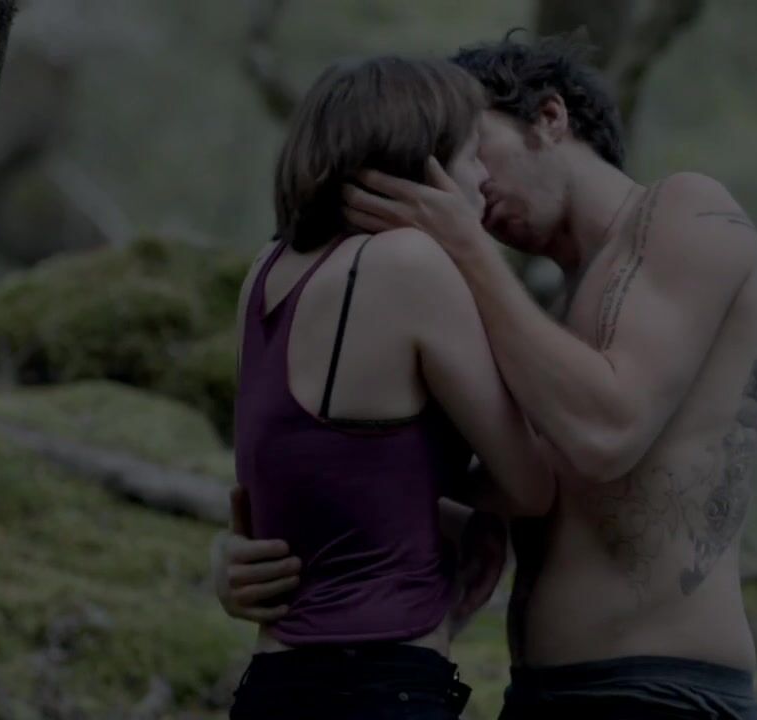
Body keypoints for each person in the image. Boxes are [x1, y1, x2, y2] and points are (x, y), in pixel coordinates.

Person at [217, 33, 757, 719]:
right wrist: (273, 557)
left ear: (549, 118)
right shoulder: (535, 320)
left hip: (664, 690)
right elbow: (446, 478)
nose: (470, 189)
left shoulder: (688, 211)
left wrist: (465, 249)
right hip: (537, 690)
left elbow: (606, 433)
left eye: (474, 150)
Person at [223, 54, 552, 720]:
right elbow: (531, 483)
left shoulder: (267, 271)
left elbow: (323, 469)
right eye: (470, 155)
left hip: (271, 684)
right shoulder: (409, 264)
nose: (484, 177)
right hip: (380, 685)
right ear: (421, 165)